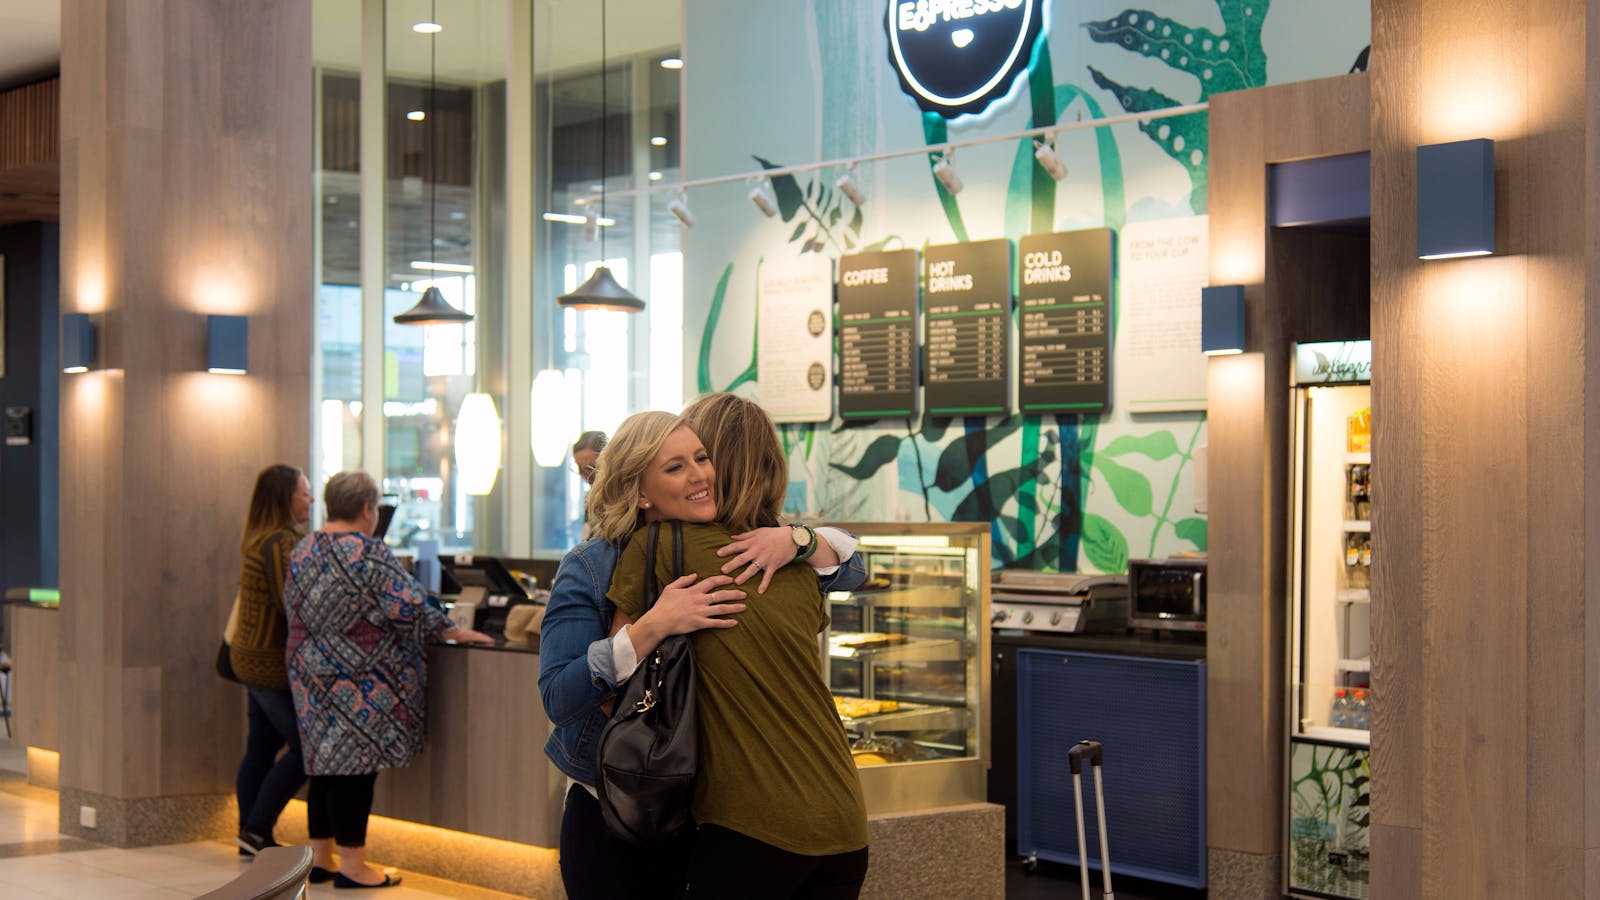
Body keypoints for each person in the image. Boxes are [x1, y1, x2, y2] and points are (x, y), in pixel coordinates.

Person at [538, 410, 864, 900]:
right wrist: (653, 625)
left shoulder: (748, 545)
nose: (700, 476)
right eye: (675, 467)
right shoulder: (592, 563)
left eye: (702, 458)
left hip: (703, 814)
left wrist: (800, 538)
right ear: (639, 490)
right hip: (617, 803)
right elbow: (560, 699)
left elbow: (852, 570)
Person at [285, 471, 493, 889]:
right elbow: (409, 606)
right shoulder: (368, 552)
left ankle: (322, 858)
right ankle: (354, 865)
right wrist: (454, 630)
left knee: (324, 765)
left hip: (308, 670)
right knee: (356, 769)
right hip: (358, 676)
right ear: (367, 509)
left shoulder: (303, 548)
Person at [231, 464, 314, 858]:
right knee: (306, 750)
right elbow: (292, 604)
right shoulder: (280, 544)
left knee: (260, 747)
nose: (311, 500)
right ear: (286, 499)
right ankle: (257, 826)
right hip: (269, 665)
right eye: (304, 493)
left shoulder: (258, 537)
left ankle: (249, 834)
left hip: (248, 658)